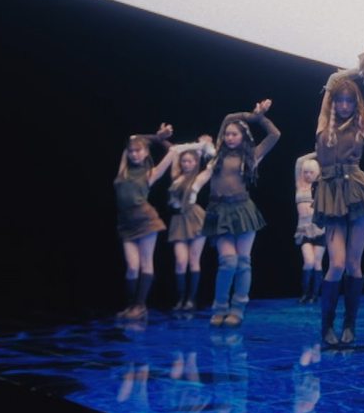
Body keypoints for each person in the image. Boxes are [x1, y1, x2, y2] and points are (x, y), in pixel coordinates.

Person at [314, 47, 364, 346]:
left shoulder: (362, 125)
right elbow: (332, 80)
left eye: (350, 100)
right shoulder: (324, 123)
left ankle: (349, 325)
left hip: (358, 192)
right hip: (331, 192)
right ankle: (326, 326)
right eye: (340, 99)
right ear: (334, 101)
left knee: (353, 263)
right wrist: (356, 68)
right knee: (335, 263)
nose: (345, 104)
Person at [203, 100, 280, 328]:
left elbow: (274, 135)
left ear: (243, 137)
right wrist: (250, 115)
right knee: (227, 261)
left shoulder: (251, 156)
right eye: (227, 134)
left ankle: (237, 309)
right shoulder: (217, 153)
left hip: (243, 210)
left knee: (243, 262)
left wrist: (260, 118)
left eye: (234, 134)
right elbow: (229, 117)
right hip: (219, 211)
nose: (229, 137)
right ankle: (219, 307)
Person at [114, 124, 199, 319]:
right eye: (131, 151)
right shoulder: (123, 170)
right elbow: (133, 136)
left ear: (145, 153)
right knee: (132, 266)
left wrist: (161, 140)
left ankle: (140, 306)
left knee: (145, 263)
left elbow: (172, 151)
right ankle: (131, 305)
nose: (134, 154)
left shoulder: (150, 173)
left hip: (146, 221)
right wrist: (157, 136)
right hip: (125, 223)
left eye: (138, 151)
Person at [167, 135, 217, 311]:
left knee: (194, 260)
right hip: (178, 220)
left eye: (190, 161)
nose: (186, 164)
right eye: (184, 161)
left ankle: (191, 299)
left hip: (195, 219)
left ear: (195, 162)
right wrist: (196, 145)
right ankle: (180, 298)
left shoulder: (198, 178)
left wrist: (207, 145)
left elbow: (214, 163)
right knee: (181, 261)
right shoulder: (176, 176)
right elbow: (174, 150)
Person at [293, 153, 327, 305]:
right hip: (304, 229)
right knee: (308, 261)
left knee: (317, 263)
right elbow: (299, 161)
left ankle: (314, 295)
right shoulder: (300, 185)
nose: (308, 175)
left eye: (311, 172)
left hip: (319, 228)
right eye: (305, 172)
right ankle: (304, 293)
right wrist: (317, 152)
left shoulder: (321, 186)